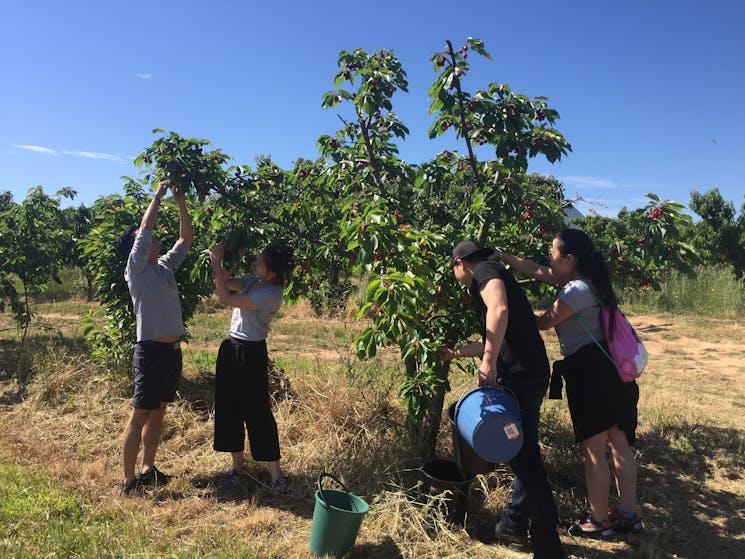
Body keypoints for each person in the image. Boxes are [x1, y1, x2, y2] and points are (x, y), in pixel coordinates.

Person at [497, 228, 642, 537]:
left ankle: (599, 520)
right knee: (619, 443)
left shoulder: (575, 292)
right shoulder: (592, 284)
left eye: (553, 252)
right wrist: (505, 258)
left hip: (590, 373)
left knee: (593, 449)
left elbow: (544, 322)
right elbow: (541, 272)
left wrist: (505, 309)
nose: (548, 257)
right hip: (614, 371)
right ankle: (629, 514)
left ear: (569, 259)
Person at [443, 240, 565, 559]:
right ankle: (513, 526)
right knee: (524, 452)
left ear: (461, 264)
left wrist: (488, 361)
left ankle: (548, 543)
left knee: (524, 459)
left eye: (452, 267)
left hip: (522, 375)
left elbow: (499, 309)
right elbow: (491, 334)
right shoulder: (488, 274)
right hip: (530, 371)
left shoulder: (484, 270)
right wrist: (455, 353)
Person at [117, 180, 192, 495]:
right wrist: (157, 197)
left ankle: (148, 469)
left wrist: (180, 202)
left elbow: (185, 240)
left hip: (171, 352)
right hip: (150, 353)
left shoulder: (163, 266)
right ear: (137, 248)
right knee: (140, 414)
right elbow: (145, 230)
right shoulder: (137, 270)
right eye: (141, 239)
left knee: (159, 410)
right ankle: (128, 480)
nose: (149, 238)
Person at [208, 241, 292, 493]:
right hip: (231, 347)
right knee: (229, 407)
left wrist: (215, 262)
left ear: (272, 273)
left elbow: (225, 298)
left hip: (251, 352)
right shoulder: (255, 281)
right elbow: (225, 282)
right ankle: (237, 467)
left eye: (260, 263)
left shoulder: (270, 294)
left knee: (257, 411)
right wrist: (230, 260)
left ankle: (275, 476)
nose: (255, 264)